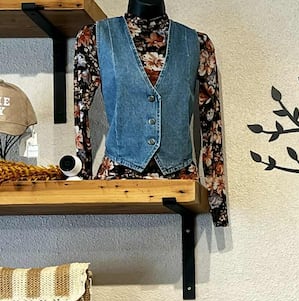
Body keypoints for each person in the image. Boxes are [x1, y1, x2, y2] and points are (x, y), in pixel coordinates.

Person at [72, 0, 229, 226]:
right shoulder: (95, 37)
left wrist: (217, 202)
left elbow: (212, 123)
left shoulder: (196, 43)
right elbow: (81, 111)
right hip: (117, 175)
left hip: (179, 177)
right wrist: (82, 181)